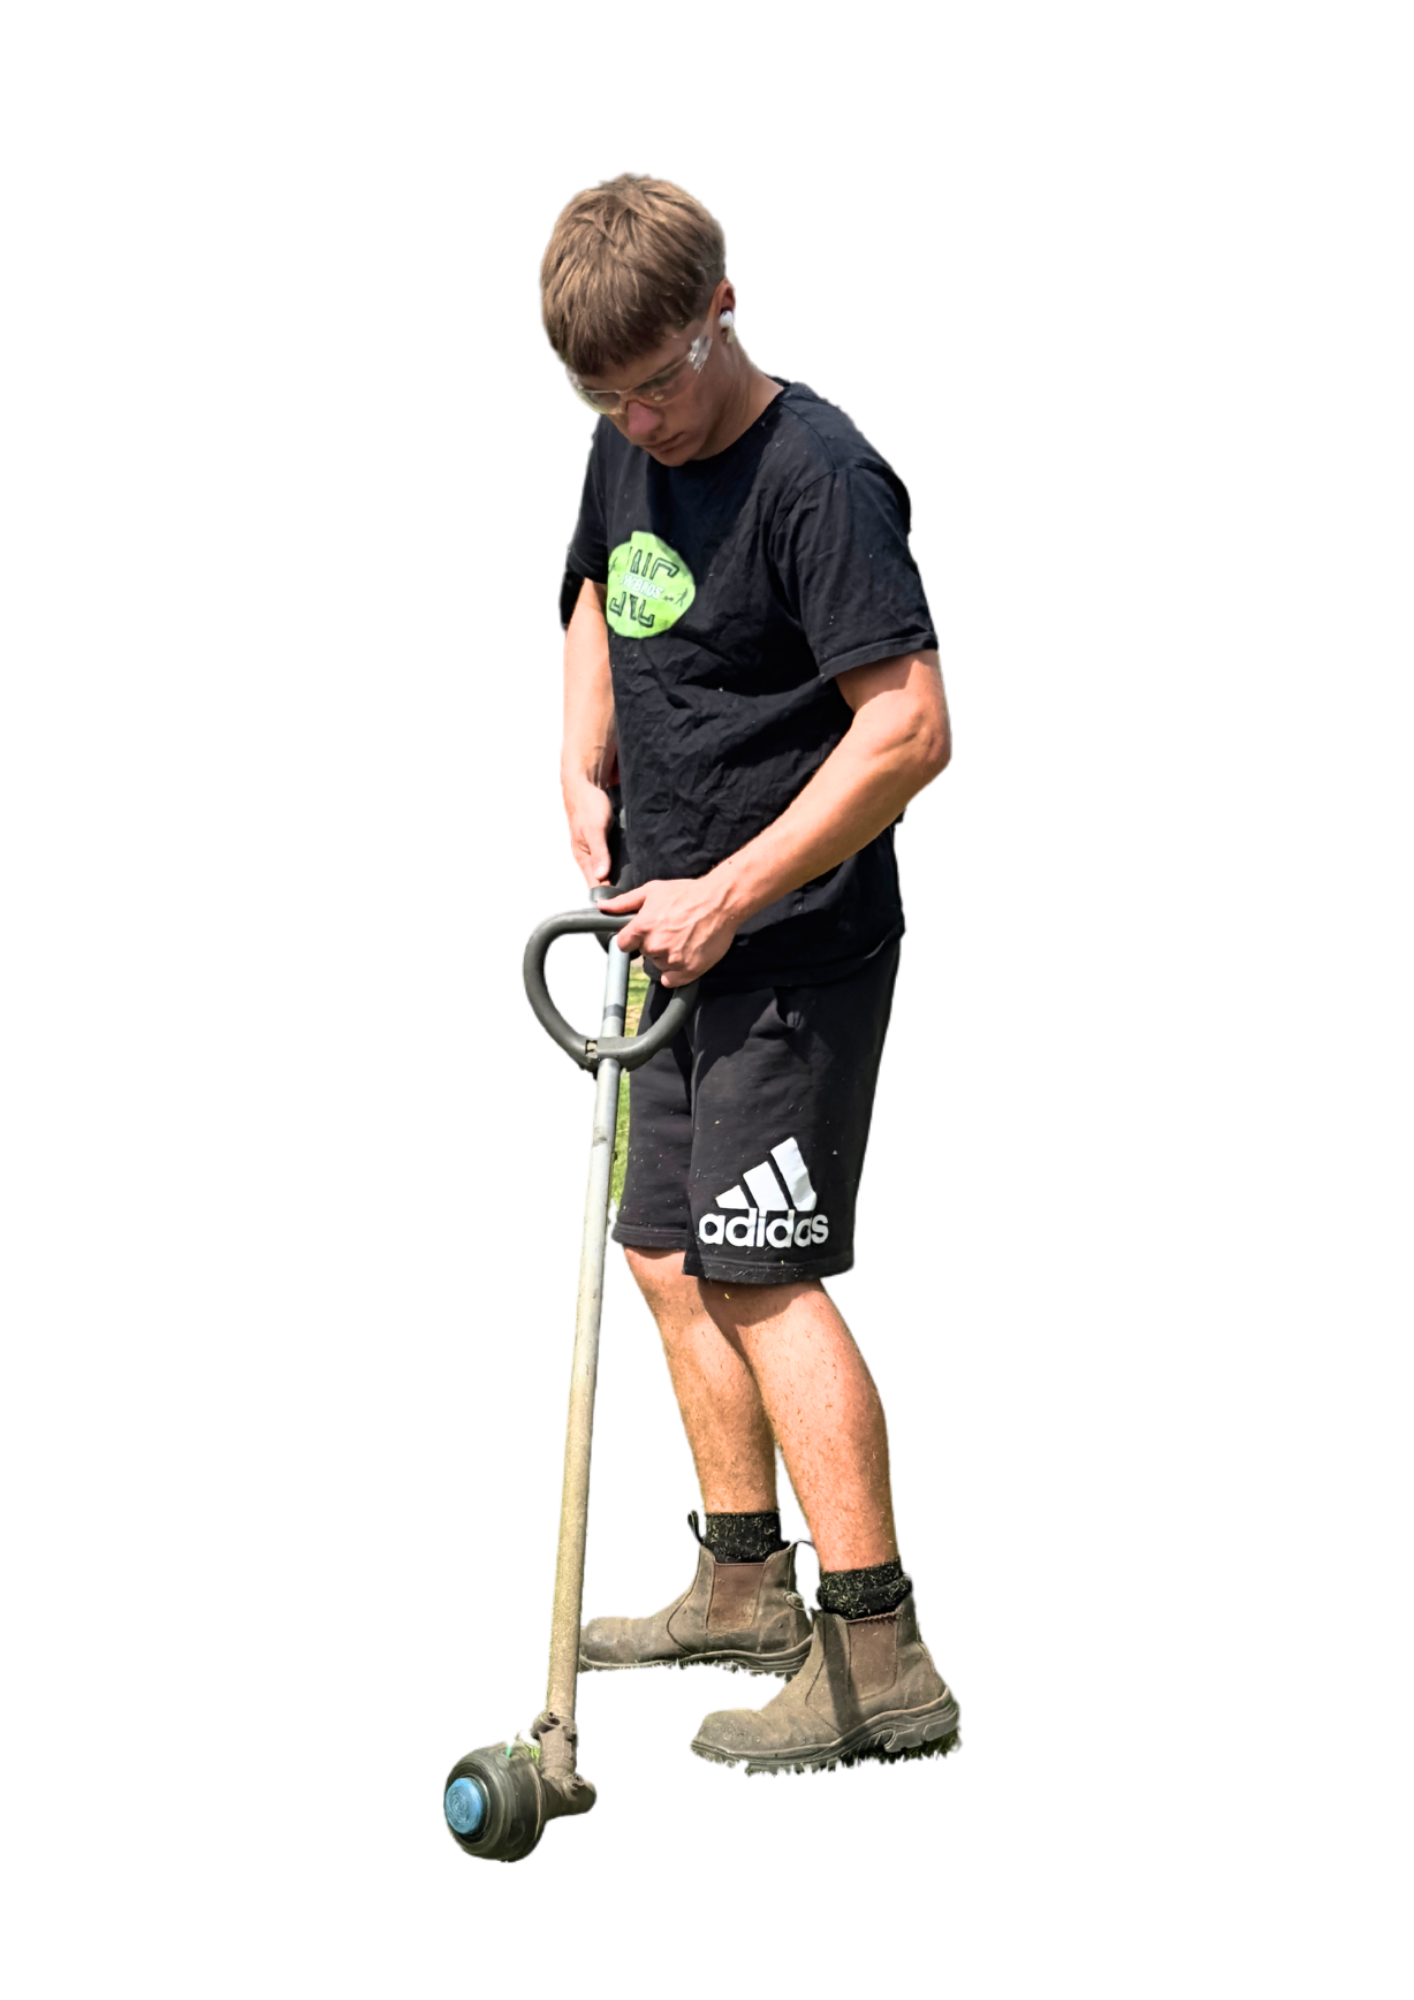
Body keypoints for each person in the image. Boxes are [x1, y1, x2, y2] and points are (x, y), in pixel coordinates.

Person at [540, 172, 962, 1775]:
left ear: (725, 306)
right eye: (602, 392)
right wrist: (581, 776)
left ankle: (879, 1654)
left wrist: (732, 885)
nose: (638, 417)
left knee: (764, 1273)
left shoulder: (818, 473)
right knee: (662, 1259)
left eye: (658, 381)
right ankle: (737, 1585)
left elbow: (911, 730)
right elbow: (598, 598)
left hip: (786, 943)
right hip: (667, 931)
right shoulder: (616, 432)